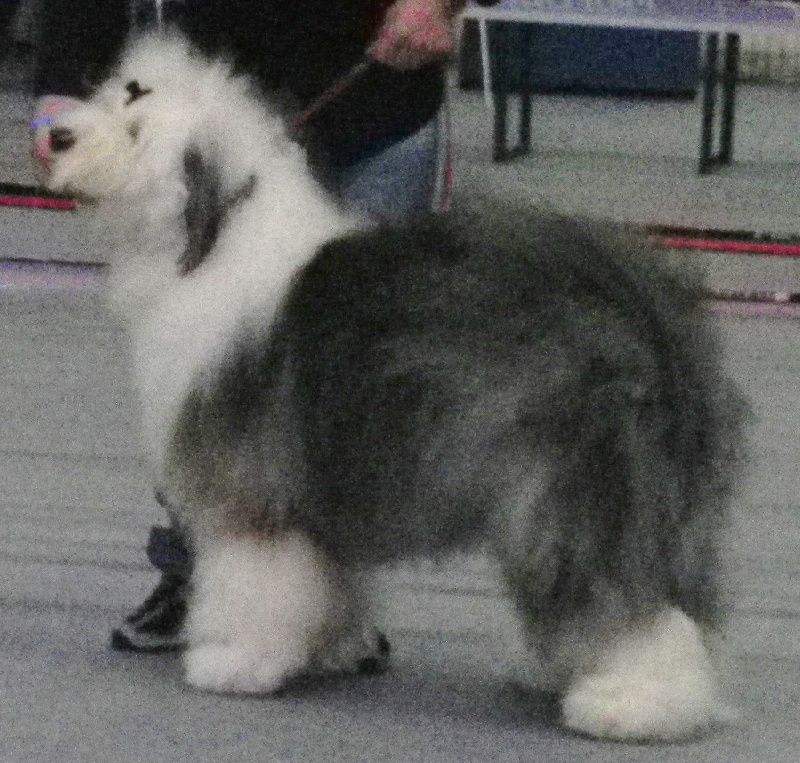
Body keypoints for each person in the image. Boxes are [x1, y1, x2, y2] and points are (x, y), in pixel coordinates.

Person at [30, 0, 464, 650]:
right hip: (203, 101)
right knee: (213, 390)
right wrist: (60, 89)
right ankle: (206, 581)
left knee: (361, 399)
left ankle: (329, 608)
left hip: (373, 92)